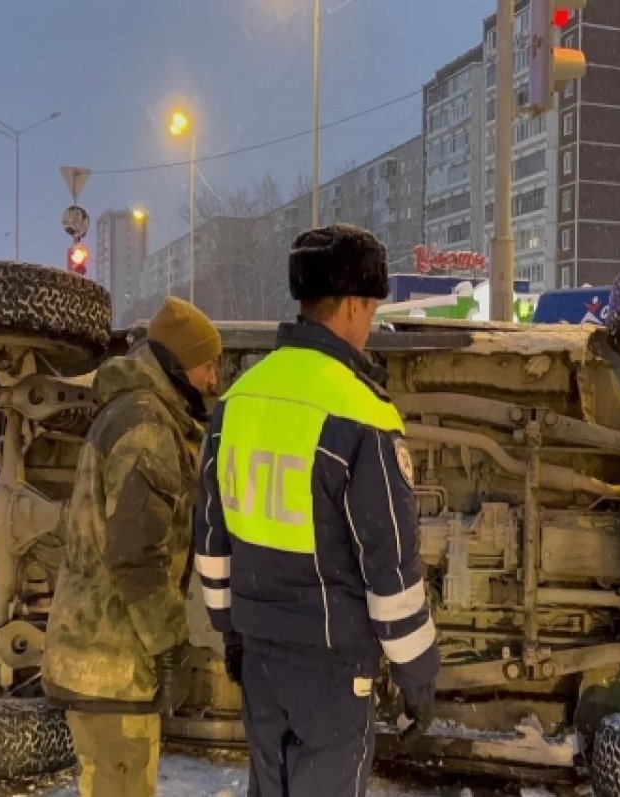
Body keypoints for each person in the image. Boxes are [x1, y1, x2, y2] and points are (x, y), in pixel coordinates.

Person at [195, 223, 439, 797]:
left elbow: (211, 542)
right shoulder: (362, 413)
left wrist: (231, 630)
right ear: (355, 305)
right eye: (372, 309)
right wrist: (417, 676)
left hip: (258, 657)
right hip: (332, 673)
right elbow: (391, 569)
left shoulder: (238, 400)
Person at [43, 296, 221, 797]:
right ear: (179, 363)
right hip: (115, 666)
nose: (213, 379)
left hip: (107, 661)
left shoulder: (133, 413)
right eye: (208, 364)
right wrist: (170, 649)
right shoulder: (146, 428)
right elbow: (137, 555)